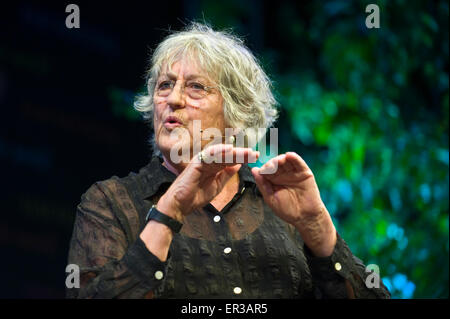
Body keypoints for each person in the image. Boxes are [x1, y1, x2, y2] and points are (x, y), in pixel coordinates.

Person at [66, 23, 390, 299]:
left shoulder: (282, 206)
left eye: (195, 87)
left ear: (236, 114)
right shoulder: (109, 202)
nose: (173, 99)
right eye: (165, 85)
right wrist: (170, 211)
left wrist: (316, 224)